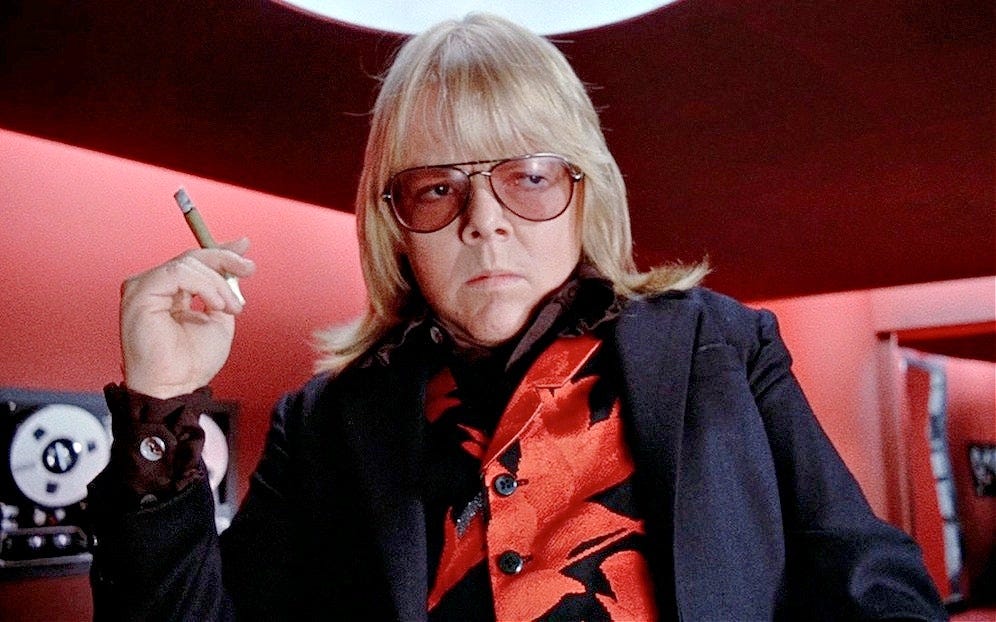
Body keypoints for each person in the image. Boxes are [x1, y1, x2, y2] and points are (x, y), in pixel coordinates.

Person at [86, 12, 947, 622]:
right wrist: (161, 403)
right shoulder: (324, 427)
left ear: (584, 191)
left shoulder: (722, 347)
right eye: (436, 188)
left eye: (528, 176)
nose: (484, 221)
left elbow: (871, 584)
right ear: (395, 226)